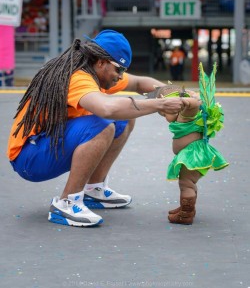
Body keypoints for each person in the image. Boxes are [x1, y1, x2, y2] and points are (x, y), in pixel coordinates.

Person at [7, 29, 186, 228]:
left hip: (42, 147)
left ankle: (94, 189)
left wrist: (178, 94)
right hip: (29, 158)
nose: (121, 76)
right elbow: (107, 109)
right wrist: (160, 105)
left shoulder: (97, 71)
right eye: (119, 69)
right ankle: (67, 203)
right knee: (103, 125)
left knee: (124, 119)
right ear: (101, 62)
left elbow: (139, 82)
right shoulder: (78, 78)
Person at [147, 63, 229, 225]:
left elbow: (195, 104)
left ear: (175, 104)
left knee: (186, 183)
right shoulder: (180, 115)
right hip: (192, 154)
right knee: (188, 183)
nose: (164, 115)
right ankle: (187, 208)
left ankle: (186, 214)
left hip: (194, 155)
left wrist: (187, 101)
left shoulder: (185, 114)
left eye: (165, 111)